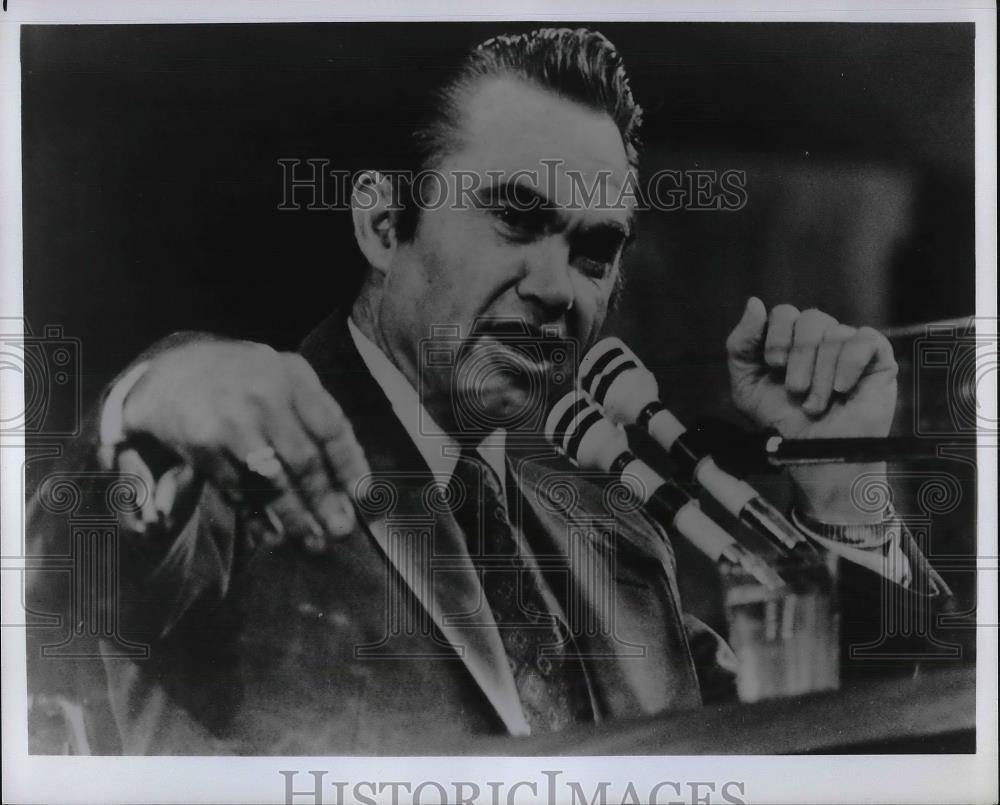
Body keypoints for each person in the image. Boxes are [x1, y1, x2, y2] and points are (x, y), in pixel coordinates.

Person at [25, 27, 947, 755]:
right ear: (385, 224)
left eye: (595, 249)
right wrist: (150, 400)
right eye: (516, 214)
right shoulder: (238, 458)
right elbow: (49, 583)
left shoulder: (620, 530)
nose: (560, 286)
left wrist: (844, 487)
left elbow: (813, 745)